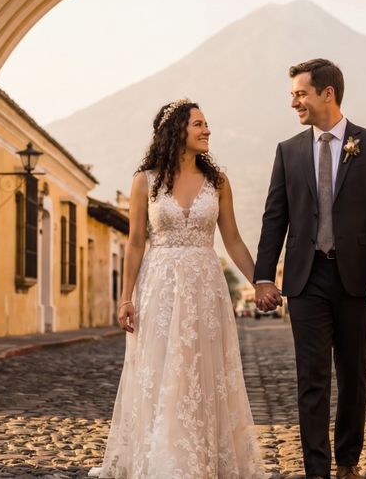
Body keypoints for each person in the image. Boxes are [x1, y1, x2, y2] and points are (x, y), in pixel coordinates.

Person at [90, 99, 265, 478]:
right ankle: (165, 457)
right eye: (199, 124)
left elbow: (232, 240)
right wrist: (126, 298)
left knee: (200, 371)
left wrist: (261, 281)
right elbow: (136, 242)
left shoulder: (218, 183)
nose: (207, 130)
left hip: (206, 286)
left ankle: (203, 455)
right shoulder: (145, 181)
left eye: (207, 124)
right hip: (160, 287)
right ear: (176, 132)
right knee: (162, 369)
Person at [253, 59, 366, 479]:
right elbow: (274, 217)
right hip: (305, 279)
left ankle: (348, 460)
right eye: (293, 95)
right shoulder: (288, 151)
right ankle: (316, 468)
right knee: (311, 376)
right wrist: (265, 275)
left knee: (353, 374)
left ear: (327, 93)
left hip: (357, 281)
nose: (294, 102)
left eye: (300, 93)